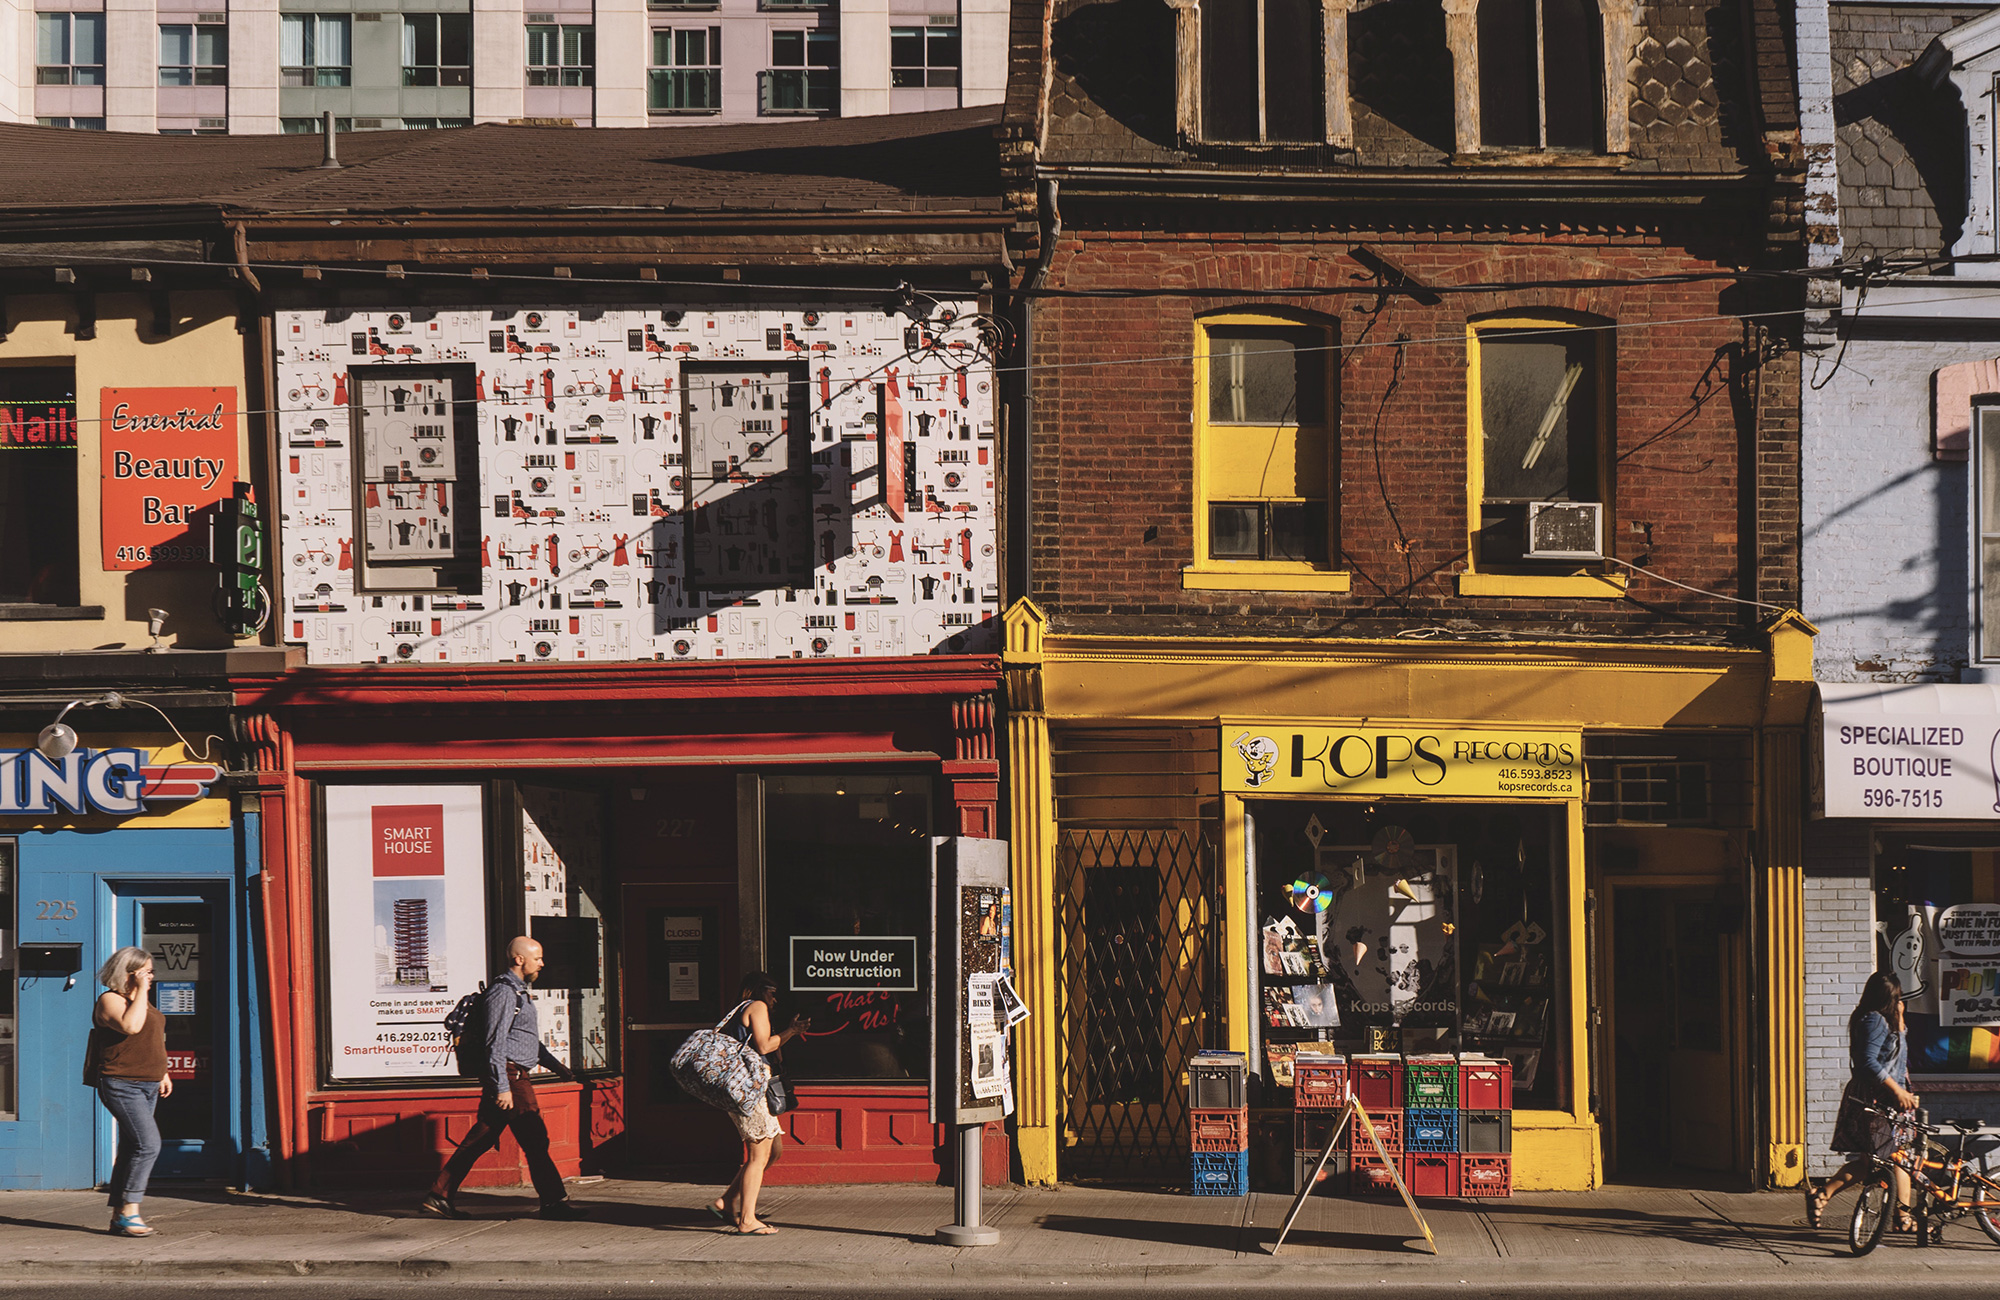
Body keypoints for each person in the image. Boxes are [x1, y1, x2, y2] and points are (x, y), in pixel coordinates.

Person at [422, 937, 589, 1221]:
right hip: (510, 1077)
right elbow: (494, 1043)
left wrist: (557, 1068)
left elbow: (525, 1040)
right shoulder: (503, 992)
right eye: (537, 958)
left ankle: (439, 1196)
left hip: (512, 1075)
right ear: (519, 959)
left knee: (481, 1139)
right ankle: (554, 1203)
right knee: (536, 1139)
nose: (542, 963)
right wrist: (501, 1087)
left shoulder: (519, 992)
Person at [1806, 971, 1921, 1232]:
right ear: (1887, 997)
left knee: (1874, 1161)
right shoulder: (1875, 1021)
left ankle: (1822, 1194)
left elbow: (1896, 1059)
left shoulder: (1883, 1019)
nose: (1900, 1001)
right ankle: (1901, 1218)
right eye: (1897, 997)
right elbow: (1868, 1063)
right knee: (1897, 1157)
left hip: (1888, 1098)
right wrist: (1898, 1091)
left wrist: (1901, 1020)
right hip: (1879, 1100)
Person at [708, 972, 807, 1236]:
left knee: (773, 1150)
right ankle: (747, 1220)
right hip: (749, 1090)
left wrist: (791, 1033)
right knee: (758, 1155)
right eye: (772, 992)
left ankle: (728, 1200)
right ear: (760, 990)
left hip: (749, 1089)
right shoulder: (757, 1006)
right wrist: (789, 1031)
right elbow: (764, 1046)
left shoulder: (744, 1009)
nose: (775, 999)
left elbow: (766, 1046)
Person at [84, 946, 173, 1238]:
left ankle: (117, 1216)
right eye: (145, 971)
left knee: (132, 1148)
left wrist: (163, 1071)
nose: (151, 976)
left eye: (151, 971)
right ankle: (130, 1210)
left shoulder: (141, 1001)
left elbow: (152, 1037)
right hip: (121, 1084)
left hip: (148, 1083)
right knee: (149, 1145)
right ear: (128, 972)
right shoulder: (109, 1000)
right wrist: (141, 989)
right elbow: (132, 1027)